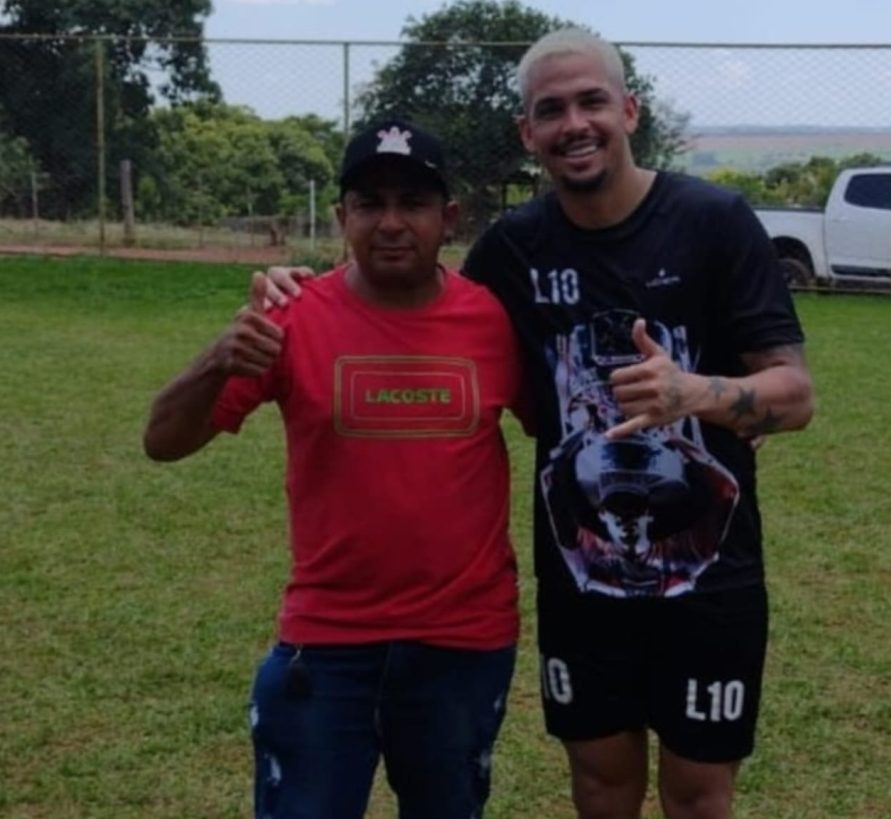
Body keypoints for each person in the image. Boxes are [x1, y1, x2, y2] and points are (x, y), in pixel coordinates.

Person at [266, 28, 814, 819]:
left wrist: (693, 394)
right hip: (581, 572)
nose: (574, 123)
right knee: (599, 782)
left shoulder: (715, 220)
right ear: (528, 133)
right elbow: (420, 300)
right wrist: (300, 290)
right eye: (550, 110)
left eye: (593, 101)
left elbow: (794, 392)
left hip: (707, 573)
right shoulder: (514, 248)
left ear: (630, 110)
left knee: (699, 794)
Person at [143, 119, 529, 819]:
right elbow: (162, 441)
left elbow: (564, 424)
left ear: (448, 218)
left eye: (412, 203)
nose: (389, 222)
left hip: (462, 642)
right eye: (369, 203)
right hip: (326, 646)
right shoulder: (290, 317)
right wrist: (217, 357)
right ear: (341, 214)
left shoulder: (492, 321)